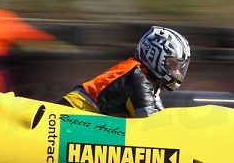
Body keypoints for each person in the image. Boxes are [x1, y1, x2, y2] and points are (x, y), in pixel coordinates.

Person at [57, 26, 190, 118]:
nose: (176, 72)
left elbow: (160, 114)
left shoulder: (141, 76)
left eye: (179, 66)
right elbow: (153, 124)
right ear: (153, 56)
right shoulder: (137, 78)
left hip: (77, 120)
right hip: (68, 116)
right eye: (172, 64)